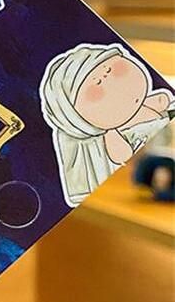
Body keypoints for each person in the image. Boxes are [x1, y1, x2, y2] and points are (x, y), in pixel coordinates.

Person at [39, 42, 174, 207]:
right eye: (95, 90)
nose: (115, 86)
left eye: (117, 70)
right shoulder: (102, 140)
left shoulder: (154, 104)